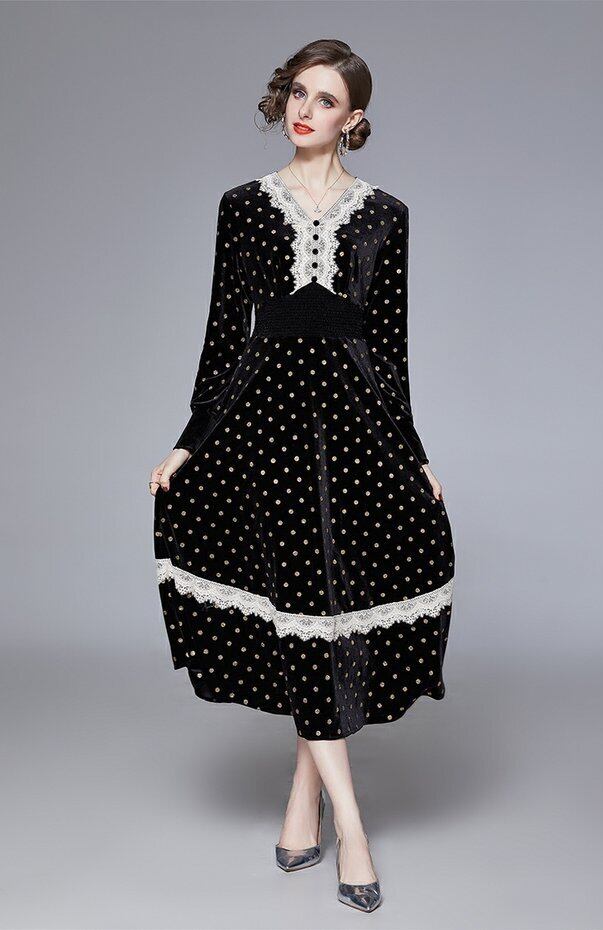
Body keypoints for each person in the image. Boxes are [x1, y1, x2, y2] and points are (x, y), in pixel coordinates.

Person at [150, 38, 455, 913]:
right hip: (265, 427)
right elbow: (223, 334)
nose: (304, 109)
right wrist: (188, 441)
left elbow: (390, 349)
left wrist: (416, 452)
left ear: (354, 118)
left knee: (323, 605)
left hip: (355, 429)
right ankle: (352, 826)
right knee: (300, 602)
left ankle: (302, 799)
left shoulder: (387, 215)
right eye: (296, 92)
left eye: (325, 99)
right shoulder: (243, 206)